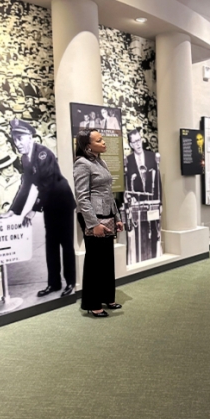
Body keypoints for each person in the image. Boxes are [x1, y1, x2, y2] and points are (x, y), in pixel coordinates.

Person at [0, 119, 76, 298]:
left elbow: (48, 183)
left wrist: (34, 208)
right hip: (49, 203)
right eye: (14, 140)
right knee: (51, 245)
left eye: (20, 139)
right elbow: (26, 185)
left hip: (62, 202)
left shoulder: (43, 154)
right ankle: (54, 284)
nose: (17, 144)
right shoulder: (25, 158)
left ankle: (70, 282)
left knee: (66, 244)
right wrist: (14, 210)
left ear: (29, 137)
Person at [74, 128, 124, 317]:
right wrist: (93, 224)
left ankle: (107, 297)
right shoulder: (82, 164)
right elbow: (82, 198)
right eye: (99, 140)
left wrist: (117, 218)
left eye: (102, 139)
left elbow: (108, 194)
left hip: (107, 213)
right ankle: (93, 303)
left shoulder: (100, 161)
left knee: (106, 259)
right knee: (95, 260)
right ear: (87, 146)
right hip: (92, 216)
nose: (104, 143)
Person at [124, 128, 161, 264]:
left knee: (153, 232)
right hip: (137, 206)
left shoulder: (152, 157)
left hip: (152, 203)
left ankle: (153, 258)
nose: (138, 144)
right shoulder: (128, 161)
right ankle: (140, 259)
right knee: (140, 234)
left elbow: (158, 182)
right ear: (131, 144)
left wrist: (160, 203)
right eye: (135, 142)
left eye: (139, 140)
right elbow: (127, 184)